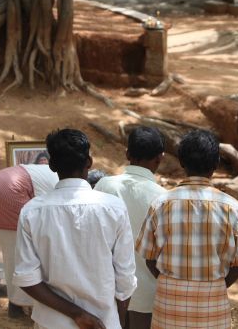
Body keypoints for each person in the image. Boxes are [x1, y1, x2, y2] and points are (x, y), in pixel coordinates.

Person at [13, 129, 137, 329]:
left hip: (51, 324)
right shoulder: (114, 208)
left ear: (51, 165)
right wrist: (119, 322)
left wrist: (77, 314)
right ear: (89, 162)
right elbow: (125, 279)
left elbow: (28, 279)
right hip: (104, 322)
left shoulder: (32, 211)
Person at [136, 129, 238, 328]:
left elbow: (149, 257)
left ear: (182, 162)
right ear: (216, 164)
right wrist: (216, 285)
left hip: (169, 307)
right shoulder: (233, 208)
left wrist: (172, 282)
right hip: (213, 307)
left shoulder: (161, 204)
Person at [95, 127, 167, 329]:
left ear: (127, 154)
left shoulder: (104, 185)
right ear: (160, 158)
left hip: (108, 289)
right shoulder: (163, 197)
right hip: (147, 293)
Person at [0, 163, 58, 317]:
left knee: (12, 248)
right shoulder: (64, 185)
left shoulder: (57, 172)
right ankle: (31, 303)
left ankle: (15, 304)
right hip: (14, 188)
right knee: (32, 250)